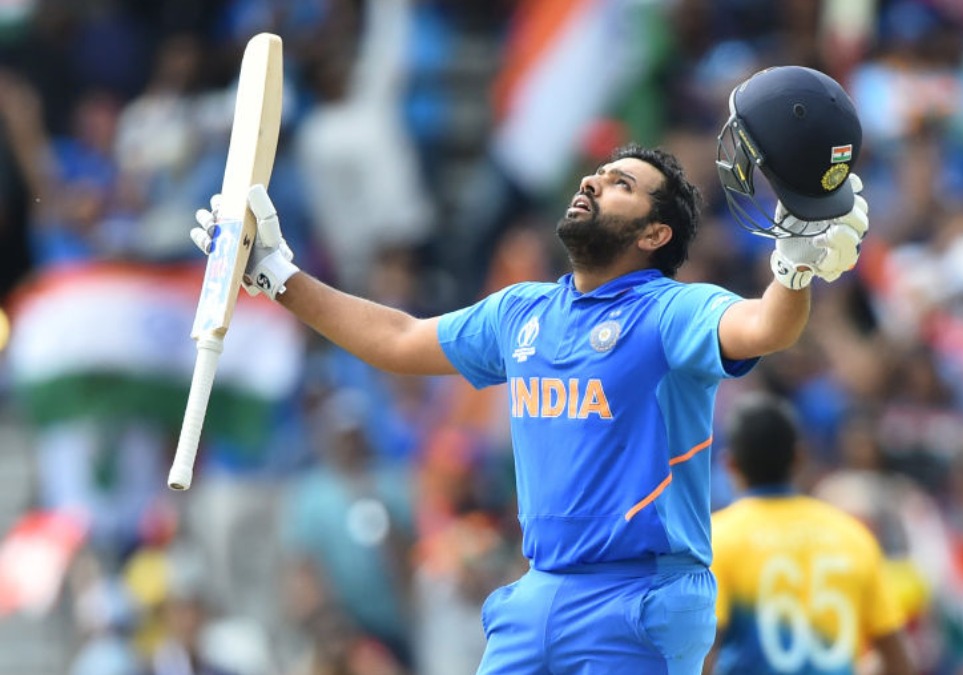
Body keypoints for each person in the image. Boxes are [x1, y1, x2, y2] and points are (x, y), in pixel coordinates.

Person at [191, 65, 870, 674]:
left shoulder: (670, 311)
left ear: (654, 234)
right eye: (598, 174)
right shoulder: (520, 312)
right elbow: (398, 339)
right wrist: (278, 276)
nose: (593, 181)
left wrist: (795, 267)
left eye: (622, 185)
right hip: (538, 591)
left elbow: (766, 326)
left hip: (640, 597)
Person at [704, 393, 915, 675]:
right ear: (799, 457)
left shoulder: (717, 540)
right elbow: (899, 663)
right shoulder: (852, 536)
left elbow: (701, 655)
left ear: (730, 464)